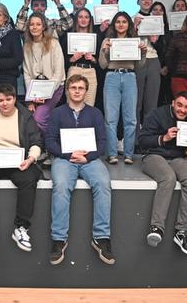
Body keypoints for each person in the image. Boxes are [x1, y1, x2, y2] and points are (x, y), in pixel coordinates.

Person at [45, 75, 114, 265]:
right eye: (73, 87)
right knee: (60, 186)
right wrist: (68, 155)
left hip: (89, 159)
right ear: (67, 90)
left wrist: (87, 157)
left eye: (81, 88)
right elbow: (49, 141)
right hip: (64, 159)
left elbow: (102, 142)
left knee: (103, 183)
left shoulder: (95, 113)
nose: (76, 91)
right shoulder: (58, 113)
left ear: (86, 91)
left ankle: (101, 238)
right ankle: (59, 239)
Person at [0, 84, 43, 252]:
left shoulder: (26, 116)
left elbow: (36, 142)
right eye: (1, 100)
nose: (4, 103)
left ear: (15, 99)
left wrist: (30, 159)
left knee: (29, 178)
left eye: (8, 99)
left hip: (18, 162)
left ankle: (21, 228)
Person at [139, 91, 187, 257]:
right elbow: (142, 140)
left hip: (177, 158)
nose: (183, 110)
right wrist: (163, 138)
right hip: (153, 155)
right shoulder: (157, 114)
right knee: (168, 178)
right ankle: (156, 227)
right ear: (173, 103)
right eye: (179, 105)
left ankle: (182, 232)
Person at [99, 11, 146, 164]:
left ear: (129, 25)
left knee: (131, 119)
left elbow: (139, 66)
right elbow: (102, 65)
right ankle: (112, 154)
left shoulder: (134, 41)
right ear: (114, 24)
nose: (120, 24)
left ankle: (128, 154)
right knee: (111, 119)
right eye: (118, 22)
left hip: (130, 77)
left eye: (124, 22)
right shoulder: (107, 40)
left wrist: (143, 53)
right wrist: (105, 51)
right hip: (111, 77)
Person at [23, 12, 66, 133]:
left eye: (38, 24)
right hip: (35, 91)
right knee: (30, 117)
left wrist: (45, 93)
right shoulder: (27, 45)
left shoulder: (53, 43)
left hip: (54, 88)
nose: (34, 27)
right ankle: (41, 145)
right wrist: (31, 97)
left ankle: (51, 143)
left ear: (44, 27)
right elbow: (26, 73)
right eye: (31, 24)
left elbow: (58, 73)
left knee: (38, 118)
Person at [59, 7, 100, 106]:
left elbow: (102, 63)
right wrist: (72, 59)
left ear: (90, 20)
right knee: (72, 105)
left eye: (86, 17)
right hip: (74, 69)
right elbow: (61, 60)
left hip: (90, 72)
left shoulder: (96, 37)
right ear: (76, 19)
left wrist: (93, 59)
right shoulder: (69, 36)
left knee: (89, 105)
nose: (83, 19)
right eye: (80, 17)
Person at [134, 0, 162, 132]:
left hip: (153, 60)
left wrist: (155, 41)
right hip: (137, 61)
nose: (146, 1)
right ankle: (136, 139)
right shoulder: (133, 18)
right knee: (136, 102)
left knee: (151, 102)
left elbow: (163, 46)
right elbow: (125, 41)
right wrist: (134, 27)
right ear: (137, 1)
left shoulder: (157, 19)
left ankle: (148, 135)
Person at [149, 1, 173, 106]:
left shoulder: (169, 30)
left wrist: (167, 66)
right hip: (150, 67)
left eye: (160, 10)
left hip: (165, 69)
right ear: (150, 12)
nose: (158, 12)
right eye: (154, 10)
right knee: (150, 98)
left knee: (163, 97)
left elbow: (172, 51)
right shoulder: (145, 28)